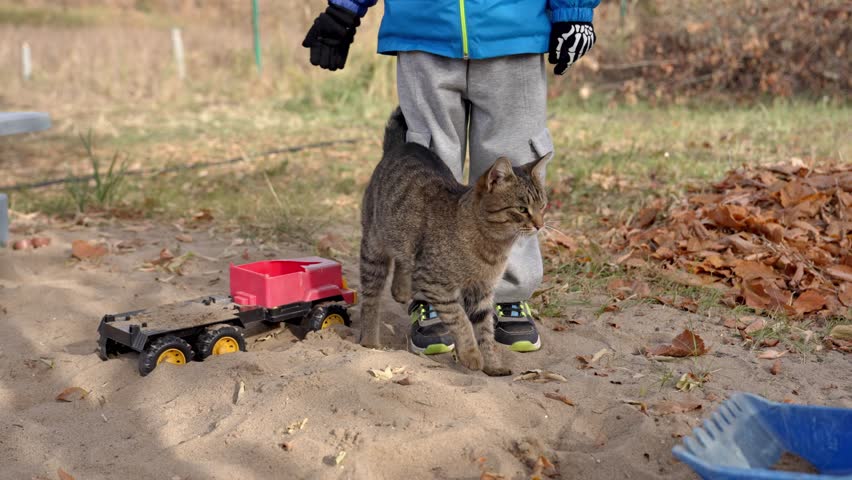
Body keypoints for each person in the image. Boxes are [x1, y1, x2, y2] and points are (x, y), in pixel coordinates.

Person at [303, 0, 599, 354]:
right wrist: (344, 7)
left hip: (513, 27)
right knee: (425, 167)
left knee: (516, 167)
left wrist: (575, 9)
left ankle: (505, 292)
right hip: (423, 29)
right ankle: (429, 295)